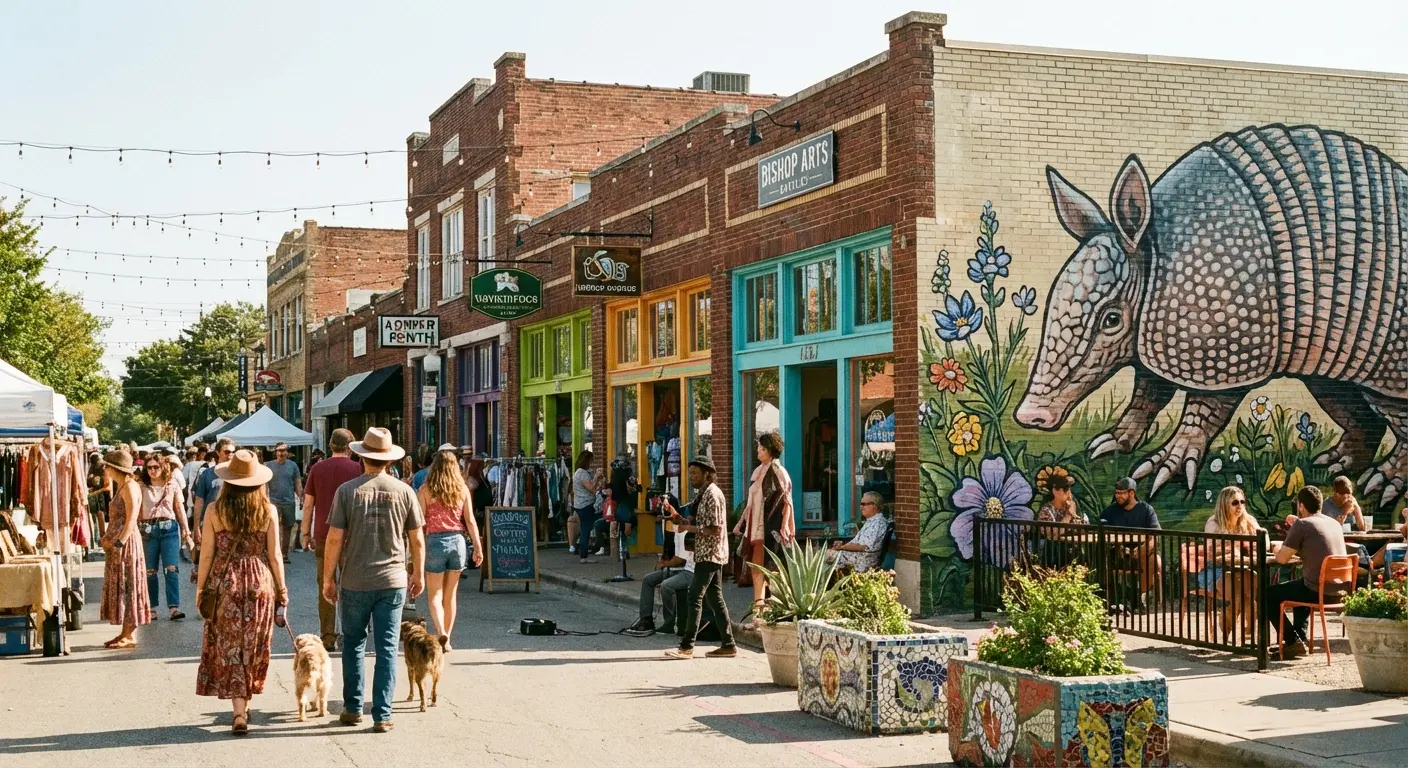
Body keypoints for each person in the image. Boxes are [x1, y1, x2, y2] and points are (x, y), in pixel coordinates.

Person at [321, 427, 426, 733]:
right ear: (388, 460)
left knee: (353, 643)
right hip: (392, 579)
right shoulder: (404, 491)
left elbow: (334, 539)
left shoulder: (347, 491)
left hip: (355, 578)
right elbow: (417, 539)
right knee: (387, 647)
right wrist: (417, 572)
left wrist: (329, 578)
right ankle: (382, 713)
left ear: (361, 456)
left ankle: (353, 708)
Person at [195, 449, 288, 736]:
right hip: (260, 583)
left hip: (226, 584)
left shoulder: (214, 510)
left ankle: (238, 711)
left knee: (230, 646)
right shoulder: (268, 510)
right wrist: (282, 592)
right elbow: (274, 555)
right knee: (252, 645)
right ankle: (244, 702)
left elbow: (207, 555)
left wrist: (201, 589)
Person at [664, 456, 736, 659]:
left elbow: (715, 528)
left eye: (695, 473)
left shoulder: (712, 495)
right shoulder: (703, 495)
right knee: (715, 599)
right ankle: (729, 644)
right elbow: (698, 523)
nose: (692, 477)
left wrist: (688, 527)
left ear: (707, 474)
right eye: (690, 473)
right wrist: (678, 516)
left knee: (694, 596)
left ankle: (687, 646)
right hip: (707, 553)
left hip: (710, 553)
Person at [1268, 486, 1348, 658]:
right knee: (1301, 584)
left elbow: (1282, 559)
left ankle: (1291, 639)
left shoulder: (1302, 524)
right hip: (1340, 590)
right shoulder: (1334, 523)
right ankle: (1299, 640)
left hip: (1317, 590)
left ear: (1301, 506)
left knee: (1267, 595)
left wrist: (1276, 547)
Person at [301, 428, 363, 652]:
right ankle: (351, 632)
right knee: (351, 586)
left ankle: (328, 636)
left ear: (330, 445)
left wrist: (305, 532)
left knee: (325, 586)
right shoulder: (358, 468)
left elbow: (308, 504)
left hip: (323, 535)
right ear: (350, 446)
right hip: (352, 536)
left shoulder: (318, 468)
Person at [416, 451, 483, 646]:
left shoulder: (425, 490)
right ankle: (448, 638)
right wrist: (478, 548)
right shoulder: (461, 489)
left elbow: (420, 524)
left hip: (434, 541)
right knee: (450, 594)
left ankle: (441, 631)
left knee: (434, 594)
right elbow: (470, 521)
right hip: (457, 541)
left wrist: (414, 551)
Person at [735, 433, 795, 621]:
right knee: (756, 567)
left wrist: (784, 526)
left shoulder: (778, 470)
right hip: (755, 525)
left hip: (768, 526)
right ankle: (758, 609)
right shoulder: (759, 471)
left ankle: (773, 608)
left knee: (770, 567)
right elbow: (750, 502)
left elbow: (786, 500)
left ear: (771, 450)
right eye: (759, 449)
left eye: (762, 449)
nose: (759, 452)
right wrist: (740, 523)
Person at [99, 450, 150, 649]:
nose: (105, 469)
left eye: (107, 466)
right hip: (120, 542)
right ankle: (126, 632)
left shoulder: (129, 487)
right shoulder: (122, 486)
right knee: (126, 583)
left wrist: (120, 542)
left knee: (130, 584)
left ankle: (129, 634)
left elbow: (131, 518)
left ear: (115, 468)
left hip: (126, 543)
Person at [1202, 486, 1262, 639]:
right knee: (1235, 583)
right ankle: (1234, 626)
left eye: (1242, 502)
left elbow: (1263, 541)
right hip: (1215, 570)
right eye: (1235, 502)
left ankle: (1243, 628)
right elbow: (1211, 555)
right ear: (1224, 504)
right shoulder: (1214, 523)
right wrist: (1233, 553)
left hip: (1241, 568)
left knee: (1251, 579)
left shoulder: (1248, 520)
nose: (1240, 506)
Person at [139, 455, 192, 620]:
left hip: (169, 528)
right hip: (147, 530)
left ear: (163, 467)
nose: (153, 470)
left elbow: (179, 508)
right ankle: (152, 608)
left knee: (171, 569)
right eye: (149, 467)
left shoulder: (172, 484)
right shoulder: (141, 486)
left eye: (156, 467)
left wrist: (186, 531)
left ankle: (174, 608)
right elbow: (136, 510)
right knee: (150, 571)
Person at [625, 516, 694, 636]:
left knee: (666, 585)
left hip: (687, 570)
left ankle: (670, 622)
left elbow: (681, 559)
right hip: (677, 568)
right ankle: (646, 619)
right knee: (648, 579)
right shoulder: (673, 533)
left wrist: (664, 564)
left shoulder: (684, 534)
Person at [1100, 477, 1162, 604]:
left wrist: (1143, 549)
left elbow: (1156, 534)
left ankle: (1142, 596)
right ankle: (1112, 600)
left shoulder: (1146, 509)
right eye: (1116, 493)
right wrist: (1120, 548)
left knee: (1154, 560)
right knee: (1105, 557)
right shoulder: (1111, 511)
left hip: (1142, 553)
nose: (1117, 496)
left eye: (1121, 493)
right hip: (1118, 553)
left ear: (1131, 493)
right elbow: (1102, 529)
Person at [827, 491, 889, 572]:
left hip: (860, 562)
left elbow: (863, 546)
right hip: (854, 558)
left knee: (821, 558)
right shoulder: (872, 521)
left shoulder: (877, 523)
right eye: (861, 504)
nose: (861, 507)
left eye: (864, 504)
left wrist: (842, 547)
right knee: (823, 554)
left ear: (875, 505)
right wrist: (842, 545)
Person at [192, 438, 237, 546]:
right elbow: (199, 502)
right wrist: (196, 526)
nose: (230, 455)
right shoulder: (206, 474)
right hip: (211, 523)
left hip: (234, 523)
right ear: (218, 452)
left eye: (232, 452)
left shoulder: (238, 474)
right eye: (226, 452)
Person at [264, 442, 303, 564]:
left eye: (284, 450)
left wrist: (301, 496)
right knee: (271, 528)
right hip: (273, 502)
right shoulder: (269, 465)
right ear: (275, 452)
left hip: (288, 501)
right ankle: (271, 554)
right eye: (279, 451)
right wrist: (264, 499)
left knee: (287, 528)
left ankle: (284, 554)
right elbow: (264, 484)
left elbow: (297, 482)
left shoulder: (293, 466)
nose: (282, 453)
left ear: (288, 453)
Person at [572, 450, 602, 564]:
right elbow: (592, 489)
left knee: (586, 528)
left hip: (580, 504)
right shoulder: (582, 473)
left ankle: (583, 553)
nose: (592, 463)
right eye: (590, 461)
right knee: (586, 529)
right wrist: (597, 477)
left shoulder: (578, 472)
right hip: (585, 505)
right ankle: (584, 555)